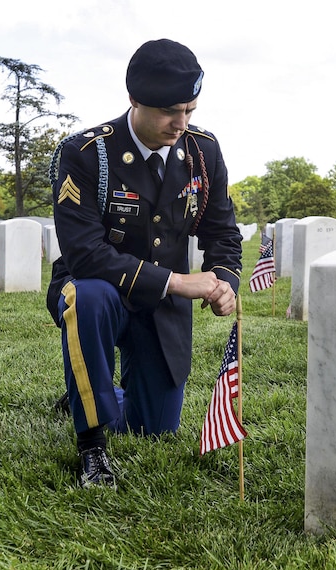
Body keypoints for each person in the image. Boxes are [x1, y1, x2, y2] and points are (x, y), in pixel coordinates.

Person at [46, 39, 242, 488]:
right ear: (134, 99)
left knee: (153, 427)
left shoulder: (203, 153)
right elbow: (85, 254)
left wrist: (225, 279)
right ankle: (92, 448)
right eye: (171, 110)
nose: (182, 122)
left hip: (160, 308)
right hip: (101, 289)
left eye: (190, 109)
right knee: (87, 297)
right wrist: (177, 282)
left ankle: (91, 392)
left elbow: (223, 234)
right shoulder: (86, 153)